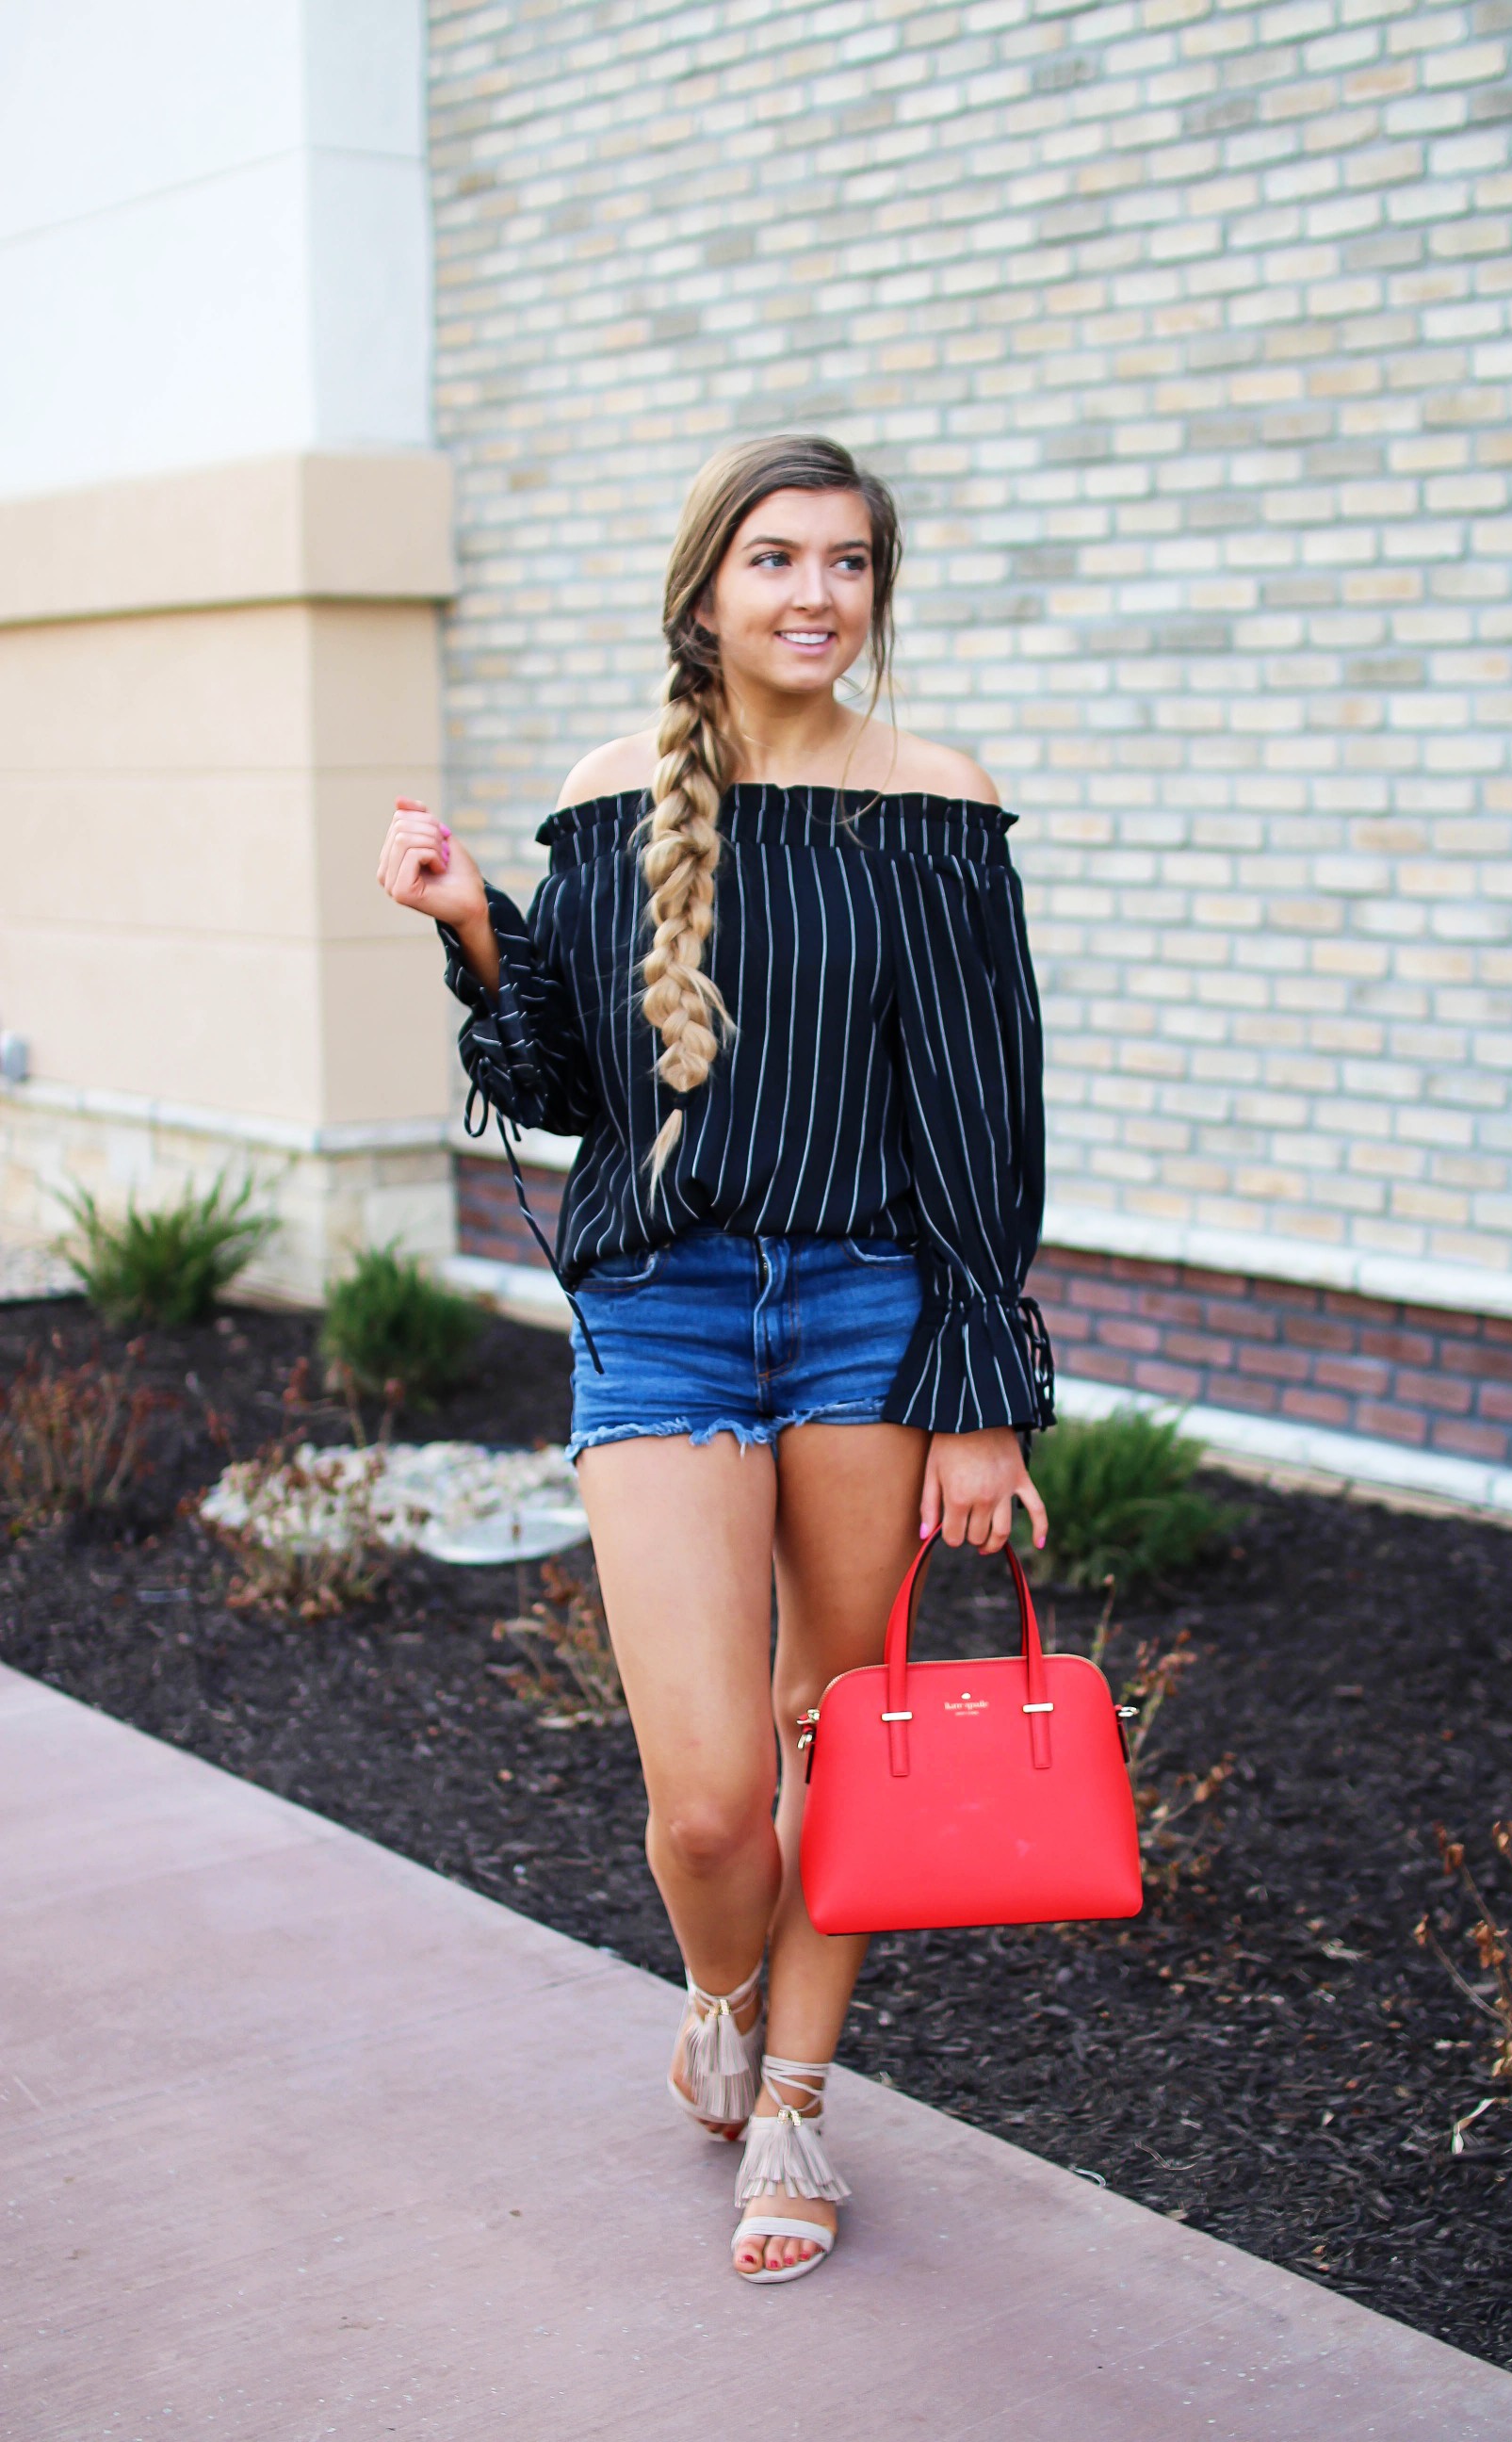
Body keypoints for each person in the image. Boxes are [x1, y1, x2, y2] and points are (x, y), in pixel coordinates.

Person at [377, 432, 1054, 2284]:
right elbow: (566, 1091)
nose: (817, 595)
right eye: (778, 559)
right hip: (664, 1303)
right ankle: (719, 1990)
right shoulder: (613, 802)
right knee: (704, 1796)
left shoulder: (936, 804)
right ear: (707, 591)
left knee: (838, 1736)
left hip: (868, 1308)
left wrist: (984, 1398)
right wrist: (468, 927)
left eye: (849, 564)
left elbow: (985, 1118)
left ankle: (800, 2106)